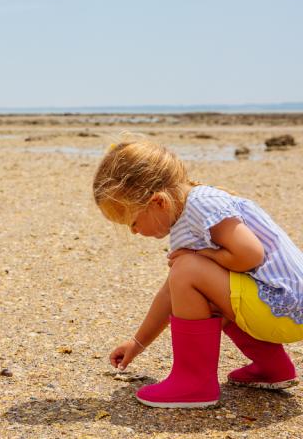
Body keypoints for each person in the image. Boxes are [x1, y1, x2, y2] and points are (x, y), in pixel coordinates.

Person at [92, 139, 303, 408]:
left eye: (133, 222)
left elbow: (251, 254)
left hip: (284, 306)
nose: (134, 232)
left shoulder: (202, 205)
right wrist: (137, 343)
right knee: (197, 283)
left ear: (158, 202)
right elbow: (170, 294)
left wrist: (201, 256)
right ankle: (272, 367)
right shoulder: (186, 214)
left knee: (187, 270)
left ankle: (194, 382)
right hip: (284, 310)